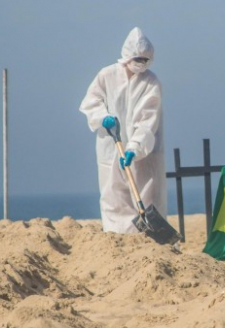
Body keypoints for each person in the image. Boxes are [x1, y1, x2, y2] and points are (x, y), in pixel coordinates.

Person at [79, 27, 167, 233]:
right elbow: (91, 101)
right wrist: (103, 117)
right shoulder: (107, 75)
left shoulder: (151, 81)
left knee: (148, 195)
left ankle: (150, 241)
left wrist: (134, 148)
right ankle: (118, 238)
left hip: (145, 152)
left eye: (146, 60)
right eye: (138, 59)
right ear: (127, 56)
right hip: (112, 148)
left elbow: (148, 120)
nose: (142, 64)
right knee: (114, 197)